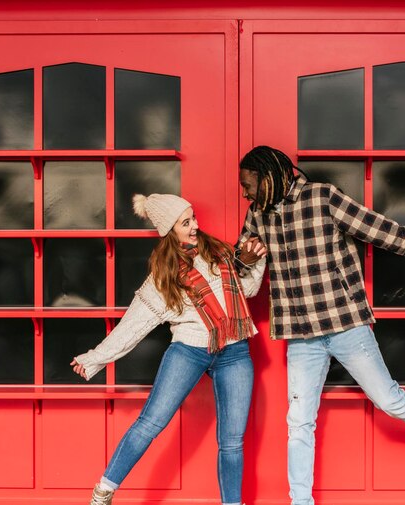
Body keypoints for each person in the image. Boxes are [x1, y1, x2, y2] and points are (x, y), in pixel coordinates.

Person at [235, 145, 405, 505]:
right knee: (298, 422)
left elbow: (382, 230)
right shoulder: (258, 215)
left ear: (269, 176)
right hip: (302, 335)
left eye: (249, 184)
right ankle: (300, 501)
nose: (245, 192)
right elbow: (241, 267)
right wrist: (243, 257)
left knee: (388, 399)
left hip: (345, 323)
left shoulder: (324, 198)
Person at [71, 193, 267, 505]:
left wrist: (254, 263)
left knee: (232, 441)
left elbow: (249, 291)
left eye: (193, 217)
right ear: (169, 230)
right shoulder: (163, 277)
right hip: (189, 351)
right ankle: (103, 492)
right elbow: (132, 326)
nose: (195, 226)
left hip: (234, 351)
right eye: (185, 222)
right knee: (150, 423)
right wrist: (95, 358)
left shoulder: (219, 253)